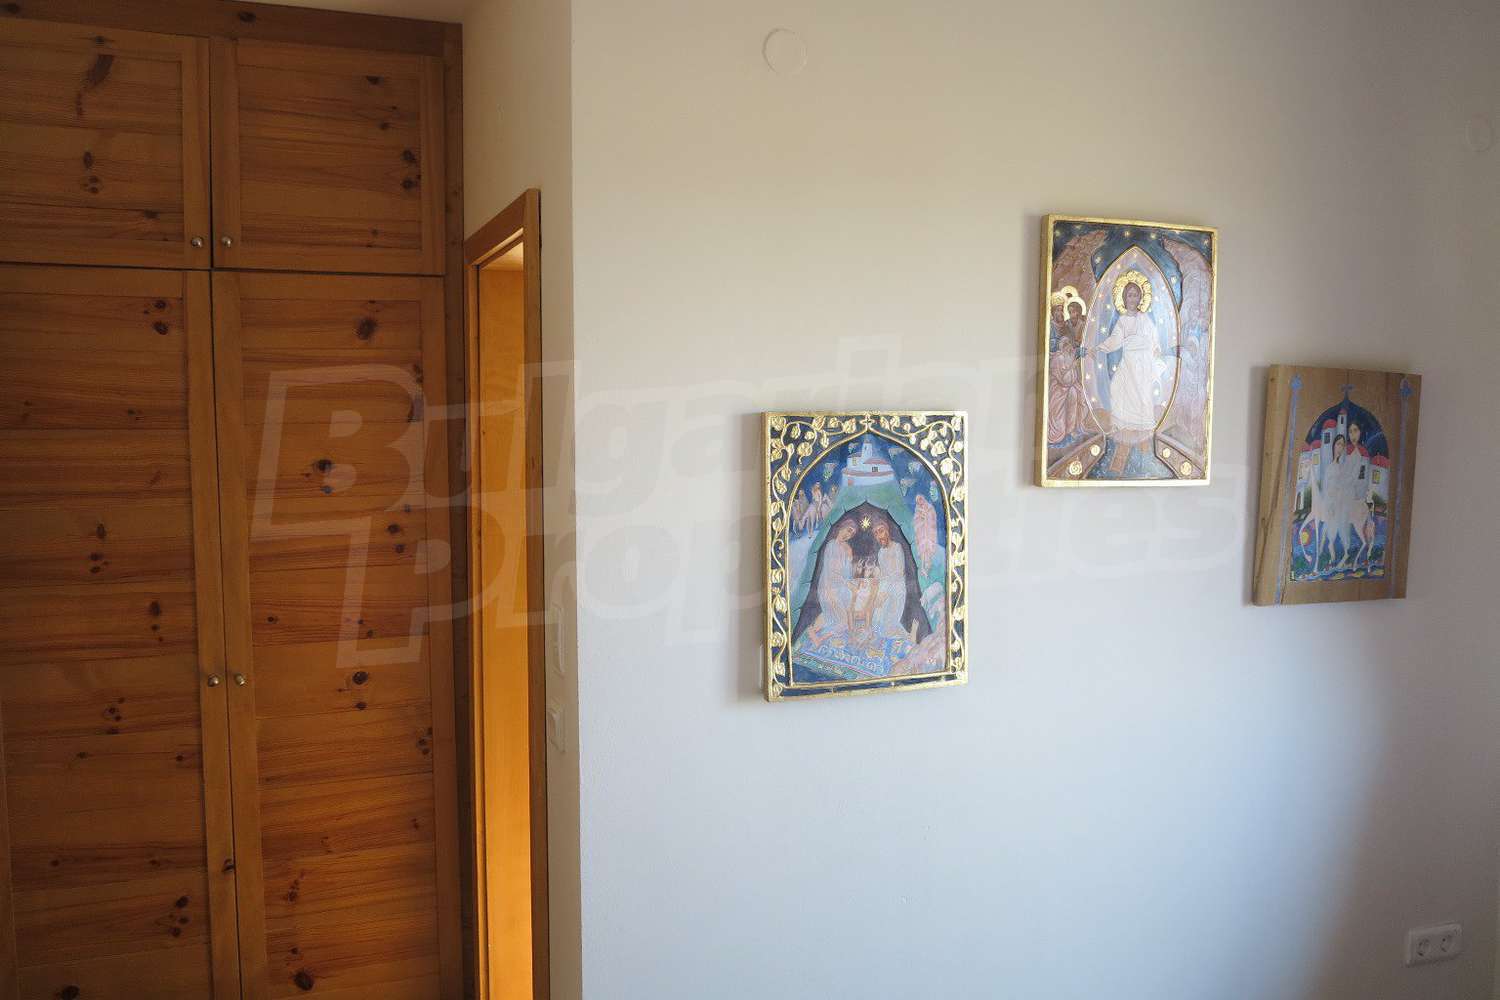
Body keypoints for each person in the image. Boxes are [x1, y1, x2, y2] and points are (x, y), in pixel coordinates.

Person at [1090, 273, 1166, 474]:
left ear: (1141, 298)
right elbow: (1115, 340)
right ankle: (1125, 430)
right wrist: (1099, 348)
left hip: (1143, 363)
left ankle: (1142, 439)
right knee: (1118, 387)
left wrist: (1156, 350)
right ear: (1124, 298)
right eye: (1129, 295)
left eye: (1135, 295)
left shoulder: (1145, 319)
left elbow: (1154, 339)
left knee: (1141, 395)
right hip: (1129, 361)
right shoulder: (1123, 320)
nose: (1133, 298)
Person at [805, 520, 857, 645]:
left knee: (831, 615)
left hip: (840, 586)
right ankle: (820, 639)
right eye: (848, 530)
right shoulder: (831, 545)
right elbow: (832, 573)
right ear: (841, 527)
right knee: (843, 622)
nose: (848, 535)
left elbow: (848, 572)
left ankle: (811, 630)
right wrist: (846, 584)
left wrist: (850, 557)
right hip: (828, 586)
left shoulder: (847, 548)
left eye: (851, 534)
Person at [1047, 328, 1089, 444]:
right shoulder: (1058, 358)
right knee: (1058, 422)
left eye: (1071, 346)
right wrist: (1072, 366)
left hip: (1069, 387)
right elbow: (1062, 380)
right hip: (1058, 390)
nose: (1071, 349)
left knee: (1076, 394)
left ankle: (1072, 429)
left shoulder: (1070, 355)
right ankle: (1062, 431)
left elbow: (1072, 376)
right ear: (1063, 347)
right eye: (1068, 346)